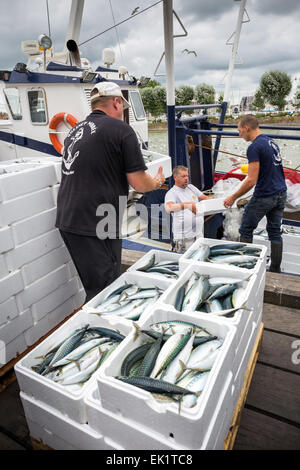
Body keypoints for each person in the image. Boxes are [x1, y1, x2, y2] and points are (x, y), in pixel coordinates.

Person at [56, 81, 165, 302]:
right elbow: (139, 183)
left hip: (69, 218)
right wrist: (156, 182)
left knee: (100, 284)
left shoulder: (75, 131)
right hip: (96, 221)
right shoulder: (122, 130)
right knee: (106, 292)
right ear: (116, 102)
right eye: (123, 107)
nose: (123, 111)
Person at [223, 114, 287, 273]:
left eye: (239, 130)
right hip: (281, 193)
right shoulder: (271, 142)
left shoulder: (254, 147)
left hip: (265, 195)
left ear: (246, 128)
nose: (239, 134)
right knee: (274, 232)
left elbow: (251, 180)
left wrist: (233, 197)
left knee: (245, 229)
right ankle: (275, 270)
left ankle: (248, 269)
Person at [164, 165, 210, 253]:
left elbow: (204, 198)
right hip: (184, 238)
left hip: (198, 234)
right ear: (175, 177)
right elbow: (169, 208)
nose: (186, 178)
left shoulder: (191, 188)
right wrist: (187, 205)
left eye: (187, 176)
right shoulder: (172, 193)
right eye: (183, 176)